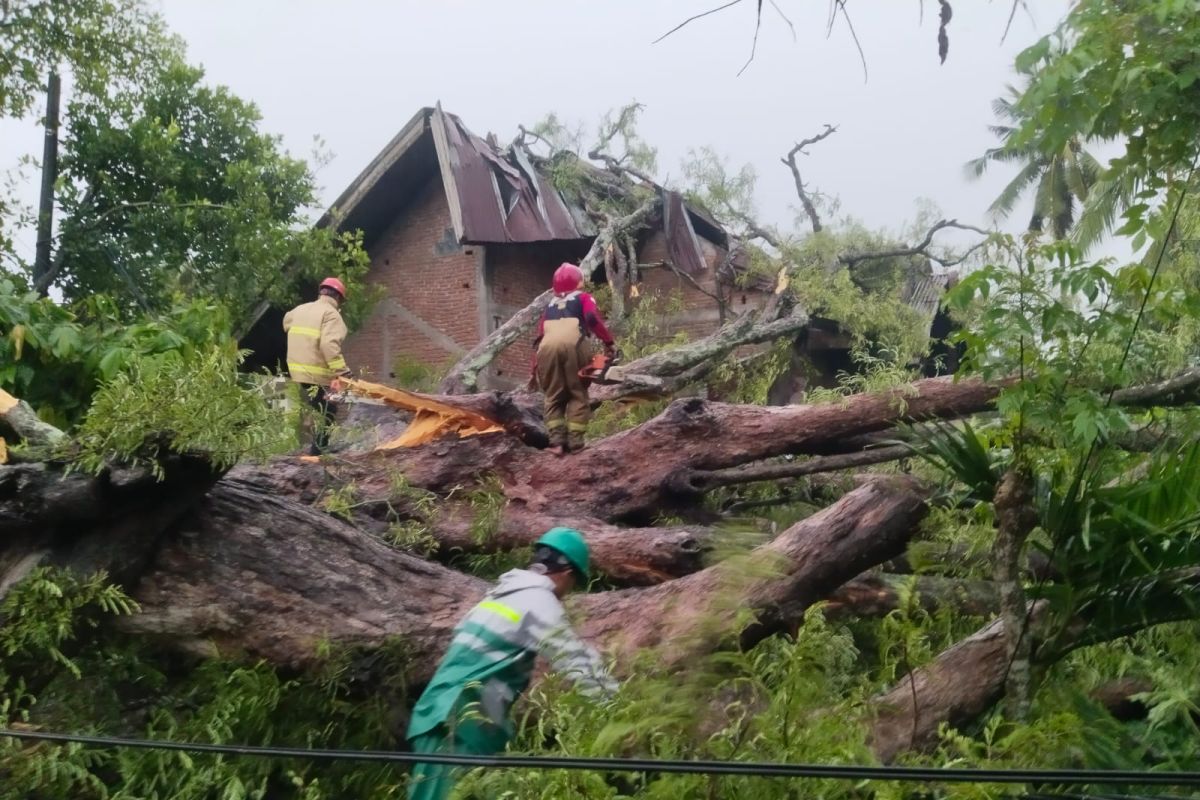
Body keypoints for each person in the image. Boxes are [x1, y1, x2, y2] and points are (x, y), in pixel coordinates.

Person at [406, 527, 616, 800]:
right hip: (458, 726)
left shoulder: (495, 597)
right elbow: (574, 660)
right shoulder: (539, 602)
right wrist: (616, 708)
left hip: (443, 717)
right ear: (567, 574)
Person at [532, 263, 616, 455]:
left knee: (553, 396)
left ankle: (557, 444)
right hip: (575, 345)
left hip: (546, 350)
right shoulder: (584, 297)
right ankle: (576, 442)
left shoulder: (549, 306)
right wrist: (609, 343)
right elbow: (592, 318)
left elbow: (539, 339)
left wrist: (533, 370)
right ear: (579, 283)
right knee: (578, 392)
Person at [283, 277, 351, 455]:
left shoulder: (300, 309)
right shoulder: (332, 315)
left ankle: (315, 445)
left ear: (321, 292)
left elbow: (286, 322)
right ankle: (318, 452)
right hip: (316, 372)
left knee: (319, 404)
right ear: (338, 297)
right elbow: (329, 345)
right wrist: (342, 371)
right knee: (329, 408)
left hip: (297, 370)